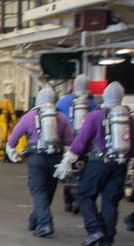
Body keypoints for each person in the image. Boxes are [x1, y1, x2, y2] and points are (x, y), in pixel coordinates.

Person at [54, 82, 134, 246]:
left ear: (105, 97)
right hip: (119, 165)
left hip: (98, 163)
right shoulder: (131, 119)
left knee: (85, 194)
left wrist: (68, 160)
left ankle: (94, 230)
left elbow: (81, 141)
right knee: (111, 202)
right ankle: (107, 242)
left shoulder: (95, 116)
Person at [5, 87, 73, 238]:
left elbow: (13, 140)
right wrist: (66, 162)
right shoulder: (61, 118)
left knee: (38, 190)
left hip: (37, 158)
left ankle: (45, 223)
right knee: (48, 191)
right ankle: (34, 219)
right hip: (56, 157)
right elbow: (69, 142)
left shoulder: (29, 117)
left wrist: (13, 153)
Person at [56, 74, 99, 213]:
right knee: (84, 171)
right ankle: (79, 200)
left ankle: (68, 201)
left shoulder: (64, 101)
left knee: (69, 169)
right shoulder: (93, 103)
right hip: (87, 143)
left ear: (74, 86)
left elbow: (56, 118)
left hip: (69, 141)